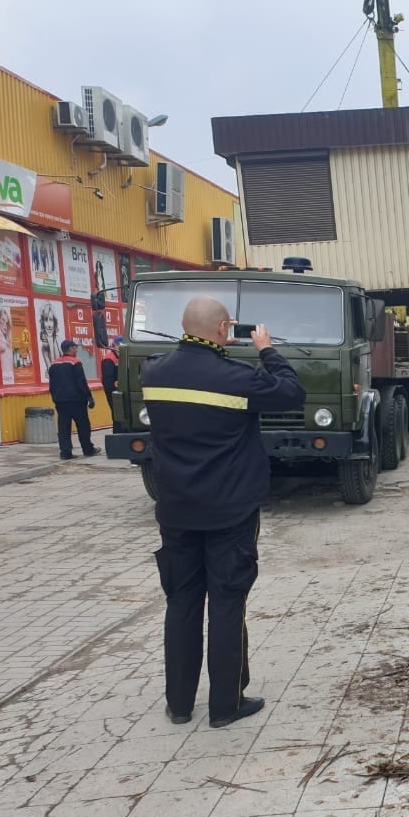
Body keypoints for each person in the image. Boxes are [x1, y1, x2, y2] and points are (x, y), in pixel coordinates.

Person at [142, 296, 305, 729]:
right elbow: (292, 393)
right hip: (229, 511)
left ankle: (178, 704)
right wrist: (266, 349)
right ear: (223, 329)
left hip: (176, 510)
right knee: (228, 603)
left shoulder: (153, 371)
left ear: (183, 325)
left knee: (182, 604)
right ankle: (225, 705)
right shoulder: (237, 377)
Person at [48, 339, 98, 460]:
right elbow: (81, 382)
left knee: (63, 428)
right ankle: (88, 449)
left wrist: (55, 399)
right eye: (75, 347)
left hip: (61, 402)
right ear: (70, 348)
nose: (76, 350)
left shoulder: (54, 364)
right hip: (76, 401)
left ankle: (65, 453)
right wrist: (89, 397)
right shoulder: (75, 363)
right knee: (83, 426)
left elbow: (52, 385)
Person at [100, 336, 120, 421]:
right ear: (114, 345)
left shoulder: (122, 356)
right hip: (114, 393)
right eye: (119, 344)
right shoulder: (109, 359)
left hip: (121, 391)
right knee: (117, 415)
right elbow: (108, 382)